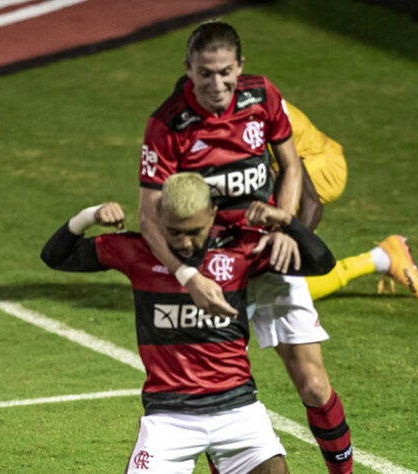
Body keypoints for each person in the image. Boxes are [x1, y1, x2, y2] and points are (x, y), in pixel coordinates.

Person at [137, 21, 352, 473]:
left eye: (225, 72)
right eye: (205, 74)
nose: (216, 84)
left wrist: (282, 227)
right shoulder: (167, 125)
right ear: (188, 69)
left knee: (314, 386)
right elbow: (148, 217)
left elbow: (292, 167)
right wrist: (187, 275)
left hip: (266, 258)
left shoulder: (262, 97)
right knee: (215, 400)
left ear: (241, 66)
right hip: (214, 274)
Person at [41, 173, 336, 473]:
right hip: (169, 419)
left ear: (212, 214)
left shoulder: (241, 250)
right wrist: (89, 215)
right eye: (174, 232)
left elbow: (322, 262)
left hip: (237, 410)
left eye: (194, 231)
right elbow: (55, 256)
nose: (184, 243)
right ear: (157, 217)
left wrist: (285, 221)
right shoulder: (137, 251)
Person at [282, 101, 418, 301]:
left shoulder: (258, 120)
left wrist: (293, 248)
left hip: (322, 168)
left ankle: (380, 259)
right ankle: (382, 258)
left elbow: (310, 203)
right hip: (304, 162)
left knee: (285, 287)